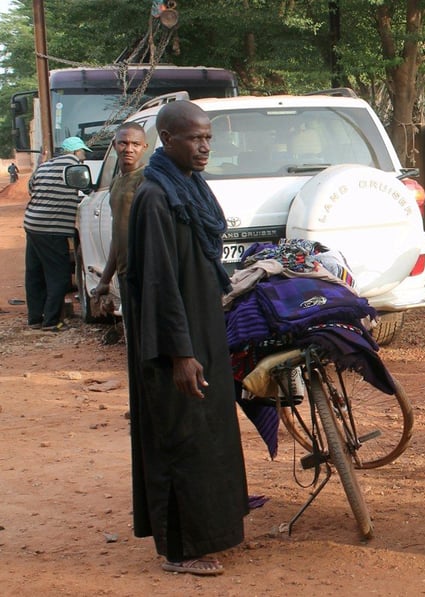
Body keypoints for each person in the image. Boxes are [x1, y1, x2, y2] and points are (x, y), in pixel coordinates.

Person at [123, 100, 248, 576]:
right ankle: (181, 547)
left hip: (201, 327)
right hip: (173, 340)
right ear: (168, 139)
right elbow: (157, 283)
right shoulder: (155, 196)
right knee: (180, 436)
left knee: (207, 433)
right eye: (194, 139)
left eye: (209, 139)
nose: (204, 148)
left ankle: (212, 527)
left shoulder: (189, 186)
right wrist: (181, 354)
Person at [23, 136, 92, 331]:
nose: (84, 156)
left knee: (34, 274)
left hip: (32, 225)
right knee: (59, 276)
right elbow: (87, 190)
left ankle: (35, 318)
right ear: (76, 152)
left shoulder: (45, 166)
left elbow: (31, 188)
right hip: (52, 229)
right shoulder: (75, 168)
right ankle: (51, 321)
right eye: (82, 152)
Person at [90, 122, 149, 309]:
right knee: (132, 333)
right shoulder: (116, 182)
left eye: (135, 144)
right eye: (123, 143)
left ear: (144, 147)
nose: (129, 149)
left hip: (145, 272)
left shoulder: (146, 179)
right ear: (115, 145)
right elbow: (118, 235)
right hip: (125, 272)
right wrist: (105, 280)